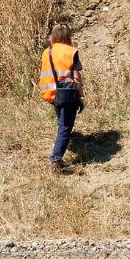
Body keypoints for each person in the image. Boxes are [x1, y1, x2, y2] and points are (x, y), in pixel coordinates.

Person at [38, 24, 83, 173]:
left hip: (52, 93)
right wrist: (80, 94)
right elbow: (76, 76)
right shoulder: (72, 52)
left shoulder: (47, 52)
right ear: (68, 36)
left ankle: (58, 155)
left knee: (62, 123)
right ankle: (56, 161)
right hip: (67, 93)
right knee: (65, 127)